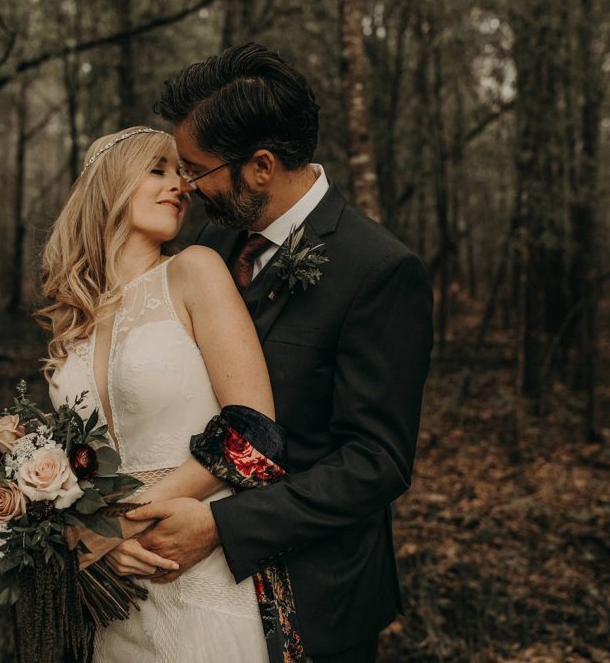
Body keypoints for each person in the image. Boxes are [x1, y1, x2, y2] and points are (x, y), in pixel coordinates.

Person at [120, 44, 435, 663]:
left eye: (196, 168)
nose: (186, 186)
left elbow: (376, 462)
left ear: (260, 166)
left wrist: (221, 525)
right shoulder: (213, 240)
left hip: (317, 600)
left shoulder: (380, 271)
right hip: (186, 598)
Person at [38, 126, 274, 661]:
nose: (180, 185)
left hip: (197, 564)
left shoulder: (194, 270)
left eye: (183, 174)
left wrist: (120, 523)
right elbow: (71, 468)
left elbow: (253, 430)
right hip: (112, 591)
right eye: (158, 169)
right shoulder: (74, 316)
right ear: (109, 185)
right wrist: (86, 535)